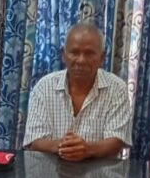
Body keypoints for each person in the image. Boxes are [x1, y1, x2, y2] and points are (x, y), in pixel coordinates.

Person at [24, 23, 132, 161]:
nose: (81, 60)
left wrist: (87, 149)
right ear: (63, 55)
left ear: (102, 58)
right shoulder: (44, 87)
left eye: (89, 53)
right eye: (74, 52)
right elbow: (34, 140)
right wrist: (63, 146)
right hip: (50, 176)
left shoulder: (117, 89)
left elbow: (117, 141)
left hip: (100, 177)